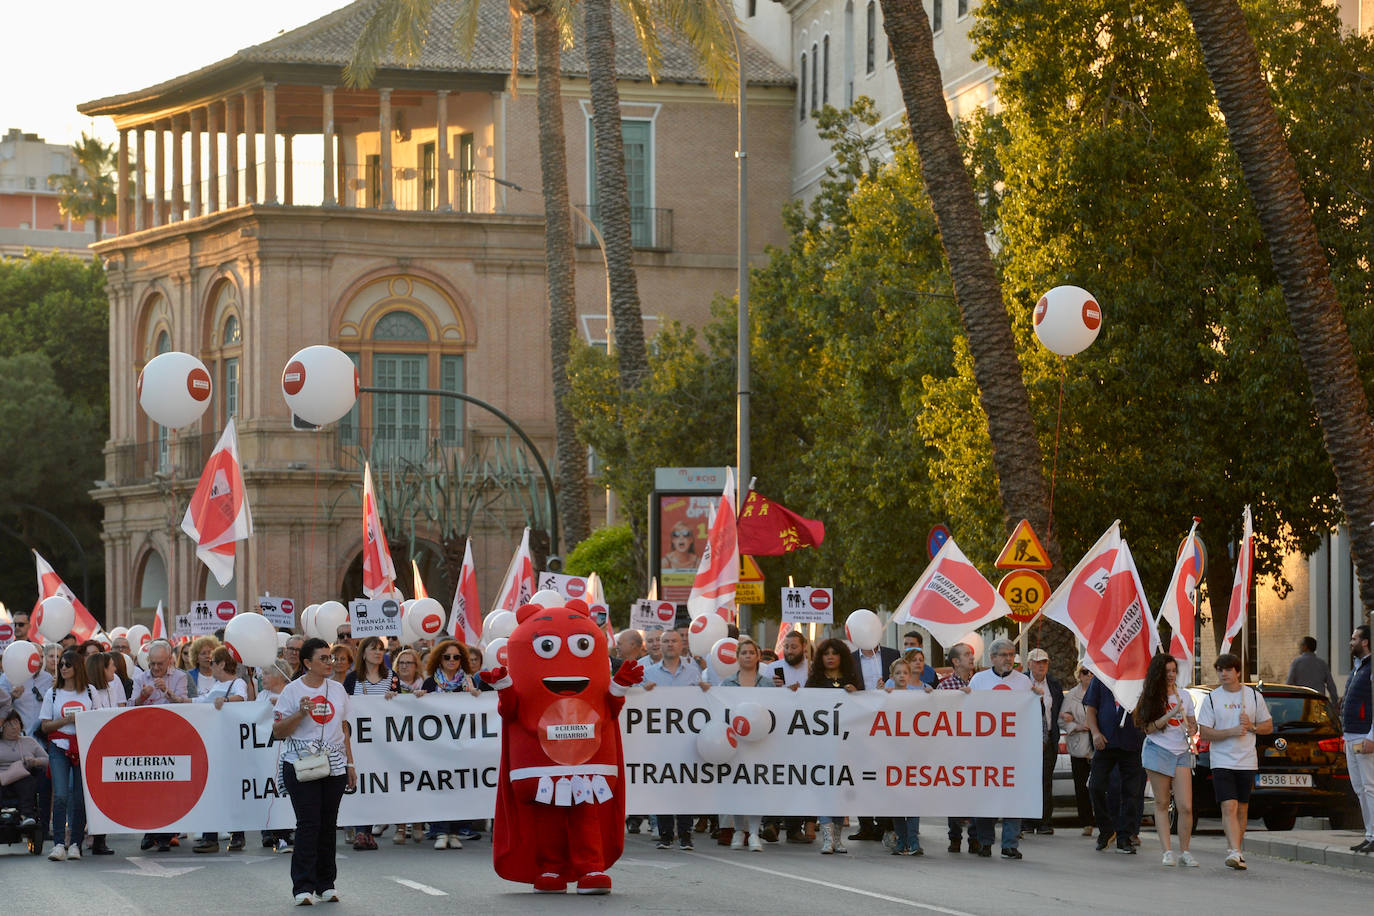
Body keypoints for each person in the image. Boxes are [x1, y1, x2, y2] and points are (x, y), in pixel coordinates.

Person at [273, 637, 356, 906]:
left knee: (328, 825)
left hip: (333, 765)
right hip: (301, 765)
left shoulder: (338, 690)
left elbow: (343, 729)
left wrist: (350, 764)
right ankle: (303, 886)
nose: (329, 662)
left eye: (330, 657)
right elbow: (277, 732)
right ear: (307, 663)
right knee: (309, 824)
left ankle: (326, 884)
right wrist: (300, 713)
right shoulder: (292, 691)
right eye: (323, 658)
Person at [1196, 652, 1272, 870]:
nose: (1223, 674)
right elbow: (1206, 732)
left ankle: (1237, 850)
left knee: (1242, 808)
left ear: (1238, 672)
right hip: (1222, 761)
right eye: (1220, 670)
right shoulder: (1213, 698)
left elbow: (1268, 726)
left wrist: (1252, 727)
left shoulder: (1253, 696)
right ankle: (1234, 851)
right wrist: (1231, 731)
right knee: (1228, 805)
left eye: (1228, 670)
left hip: (1246, 760)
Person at [967, 638, 1030, 859]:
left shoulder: (1024, 682)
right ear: (992, 657)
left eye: (1011, 655)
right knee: (987, 799)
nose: (1008, 659)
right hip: (986, 751)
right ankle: (985, 841)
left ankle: (1010, 844)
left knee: (1013, 797)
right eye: (1004, 655)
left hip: (1015, 751)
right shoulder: (979, 680)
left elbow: (1031, 716)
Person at [1133, 654, 1198, 867]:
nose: (1171, 675)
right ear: (1158, 673)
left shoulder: (1184, 696)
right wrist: (1167, 715)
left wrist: (1192, 728)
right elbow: (1148, 728)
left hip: (1181, 752)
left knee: (1185, 806)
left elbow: (1193, 723)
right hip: (1158, 750)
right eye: (1167, 671)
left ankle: (1185, 851)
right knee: (1162, 802)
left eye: (1173, 671)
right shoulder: (1151, 697)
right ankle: (1167, 851)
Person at [642, 630, 703, 850]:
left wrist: (704, 690)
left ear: (681, 645)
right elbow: (637, 704)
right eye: (665, 641)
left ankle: (686, 834)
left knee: (685, 786)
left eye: (673, 641)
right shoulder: (647, 673)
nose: (669, 644)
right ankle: (666, 835)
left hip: (686, 739)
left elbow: (702, 702)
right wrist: (643, 691)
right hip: (659, 741)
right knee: (663, 786)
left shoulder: (693, 672)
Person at [132, 640, 191, 852]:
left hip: (171, 737)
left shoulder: (180, 677)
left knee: (169, 784)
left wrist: (167, 692)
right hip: (147, 738)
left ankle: (165, 833)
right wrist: (143, 696)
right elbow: (130, 708)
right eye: (153, 664)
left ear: (169, 661)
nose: (156, 668)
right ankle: (150, 830)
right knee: (149, 785)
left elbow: (184, 705)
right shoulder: (140, 678)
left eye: (160, 664)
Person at [422, 639, 480, 849]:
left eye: (456, 657)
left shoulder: (468, 682)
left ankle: (454, 831)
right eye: (447, 656)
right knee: (439, 786)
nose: (452, 660)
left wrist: (476, 696)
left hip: (460, 744)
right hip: (437, 746)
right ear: (439, 659)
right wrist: (418, 698)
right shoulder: (430, 683)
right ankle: (440, 830)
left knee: (459, 787)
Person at [805, 638, 860, 854]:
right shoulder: (814, 681)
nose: (829, 657)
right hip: (821, 746)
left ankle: (838, 838)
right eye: (826, 653)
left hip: (846, 746)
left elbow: (864, 709)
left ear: (841, 657)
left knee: (841, 790)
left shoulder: (852, 680)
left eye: (834, 653)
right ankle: (827, 838)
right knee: (825, 791)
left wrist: (856, 694)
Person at [193, 647, 250, 853]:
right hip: (214, 743)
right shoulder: (217, 684)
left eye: (212, 663)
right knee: (212, 789)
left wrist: (225, 700)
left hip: (230, 744)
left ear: (222, 664)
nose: (210, 667)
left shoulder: (237, 683)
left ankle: (237, 835)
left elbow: (242, 698)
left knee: (232, 791)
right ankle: (210, 836)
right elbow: (199, 702)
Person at [40, 648, 94, 861]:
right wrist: (66, 721)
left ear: (77, 667)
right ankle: (59, 844)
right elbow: (44, 726)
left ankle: (75, 844)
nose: (62, 668)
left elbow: (97, 719)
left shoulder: (89, 691)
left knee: (80, 799)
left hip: (83, 747)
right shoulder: (52, 693)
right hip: (59, 747)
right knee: (61, 795)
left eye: (67, 664)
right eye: (61, 664)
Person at [1085, 672, 1145, 854]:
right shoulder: (1101, 677)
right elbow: (1090, 709)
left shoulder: (1138, 679)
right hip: (1106, 742)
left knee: (1131, 793)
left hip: (1132, 743)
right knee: (1095, 786)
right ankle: (1106, 828)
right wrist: (1095, 733)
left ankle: (1124, 836)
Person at [342, 637, 391, 852]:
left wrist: (398, 698)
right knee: (362, 783)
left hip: (385, 742)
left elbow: (406, 704)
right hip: (361, 742)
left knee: (378, 783)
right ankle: (362, 830)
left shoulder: (391, 677)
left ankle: (368, 830)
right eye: (373, 649)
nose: (378, 653)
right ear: (363, 654)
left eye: (381, 649)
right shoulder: (352, 679)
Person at [936, 642, 980, 854]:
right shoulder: (944, 687)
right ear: (955, 661)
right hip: (953, 749)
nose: (971, 658)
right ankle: (954, 836)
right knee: (954, 793)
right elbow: (938, 715)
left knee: (974, 793)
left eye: (971, 654)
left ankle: (975, 837)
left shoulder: (980, 683)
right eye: (966, 655)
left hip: (975, 747)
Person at [1025, 647, 1064, 835]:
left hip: (1048, 738)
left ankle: (1044, 822)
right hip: (1024, 740)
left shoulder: (1054, 685)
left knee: (1045, 780)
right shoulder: (1021, 682)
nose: (1041, 666)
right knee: (1026, 779)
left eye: (1045, 662)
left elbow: (1058, 710)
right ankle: (1025, 821)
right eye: (1037, 662)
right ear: (1029, 663)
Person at [1343, 625, 1374, 853]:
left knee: (1370, 786)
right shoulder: (1357, 667)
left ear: (1365, 642)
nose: (1350, 642)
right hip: (1350, 735)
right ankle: (1369, 833)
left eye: (1354, 638)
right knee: (1359, 788)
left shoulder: (1371, 668)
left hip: (1364, 735)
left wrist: (1372, 736)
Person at [1060, 665, 1096, 836]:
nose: (1088, 675)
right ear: (1078, 675)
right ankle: (1086, 822)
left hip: (1098, 745)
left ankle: (1102, 820)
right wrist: (1077, 726)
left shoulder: (1101, 693)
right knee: (1082, 787)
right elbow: (1062, 720)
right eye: (1084, 672)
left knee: (1099, 786)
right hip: (1079, 746)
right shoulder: (1072, 696)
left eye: (1091, 672)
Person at [0, 709, 46, 832]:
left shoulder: (29, 742)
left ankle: (27, 815)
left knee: (28, 780)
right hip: (1, 777)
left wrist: (35, 761)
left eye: (16, 722)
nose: (14, 727)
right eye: (9, 724)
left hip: (21, 776)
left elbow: (48, 760)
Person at [1287, 636, 1339, 707]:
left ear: (1305, 647)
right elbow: (1331, 685)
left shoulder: (1296, 662)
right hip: (1318, 702)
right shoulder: (1322, 663)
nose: (1299, 646)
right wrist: (1335, 703)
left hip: (1300, 702)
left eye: (1301, 644)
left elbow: (1289, 684)